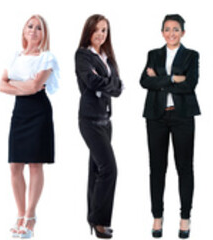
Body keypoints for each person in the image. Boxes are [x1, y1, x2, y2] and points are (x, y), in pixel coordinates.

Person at [0, 14, 59, 239]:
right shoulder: (15, 56)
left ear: (44, 34)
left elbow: (35, 87)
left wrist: (16, 84)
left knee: (35, 164)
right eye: (30, 26)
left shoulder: (47, 58)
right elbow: (0, 85)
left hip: (39, 112)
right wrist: (24, 86)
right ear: (24, 30)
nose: (33, 30)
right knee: (15, 165)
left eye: (39, 28)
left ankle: (31, 216)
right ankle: (20, 213)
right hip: (20, 112)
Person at [142, 14, 199, 239]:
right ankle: (157, 216)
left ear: (183, 32)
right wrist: (175, 79)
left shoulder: (191, 55)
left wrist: (161, 79)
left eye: (176, 29)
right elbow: (144, 81)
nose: (171, 33)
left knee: (184, 167)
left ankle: (185, 217)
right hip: (156, 117)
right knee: (157, 168)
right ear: (162, 32)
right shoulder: (153, 54)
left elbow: (191, 84)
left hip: (182, 116)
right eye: (167, 29)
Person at [75, 14, 123, 239]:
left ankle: (93, 219)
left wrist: (109, 85)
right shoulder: (83, 55)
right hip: (89, 120)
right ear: (89, 32)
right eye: (97, 30)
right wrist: (109, 85)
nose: (101, 34)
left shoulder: (107, 57)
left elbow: (119, 86)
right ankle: (100, 221)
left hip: (106, 121)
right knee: (109, 169)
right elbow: (91, 81)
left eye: (104, 30)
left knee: (96, 170)